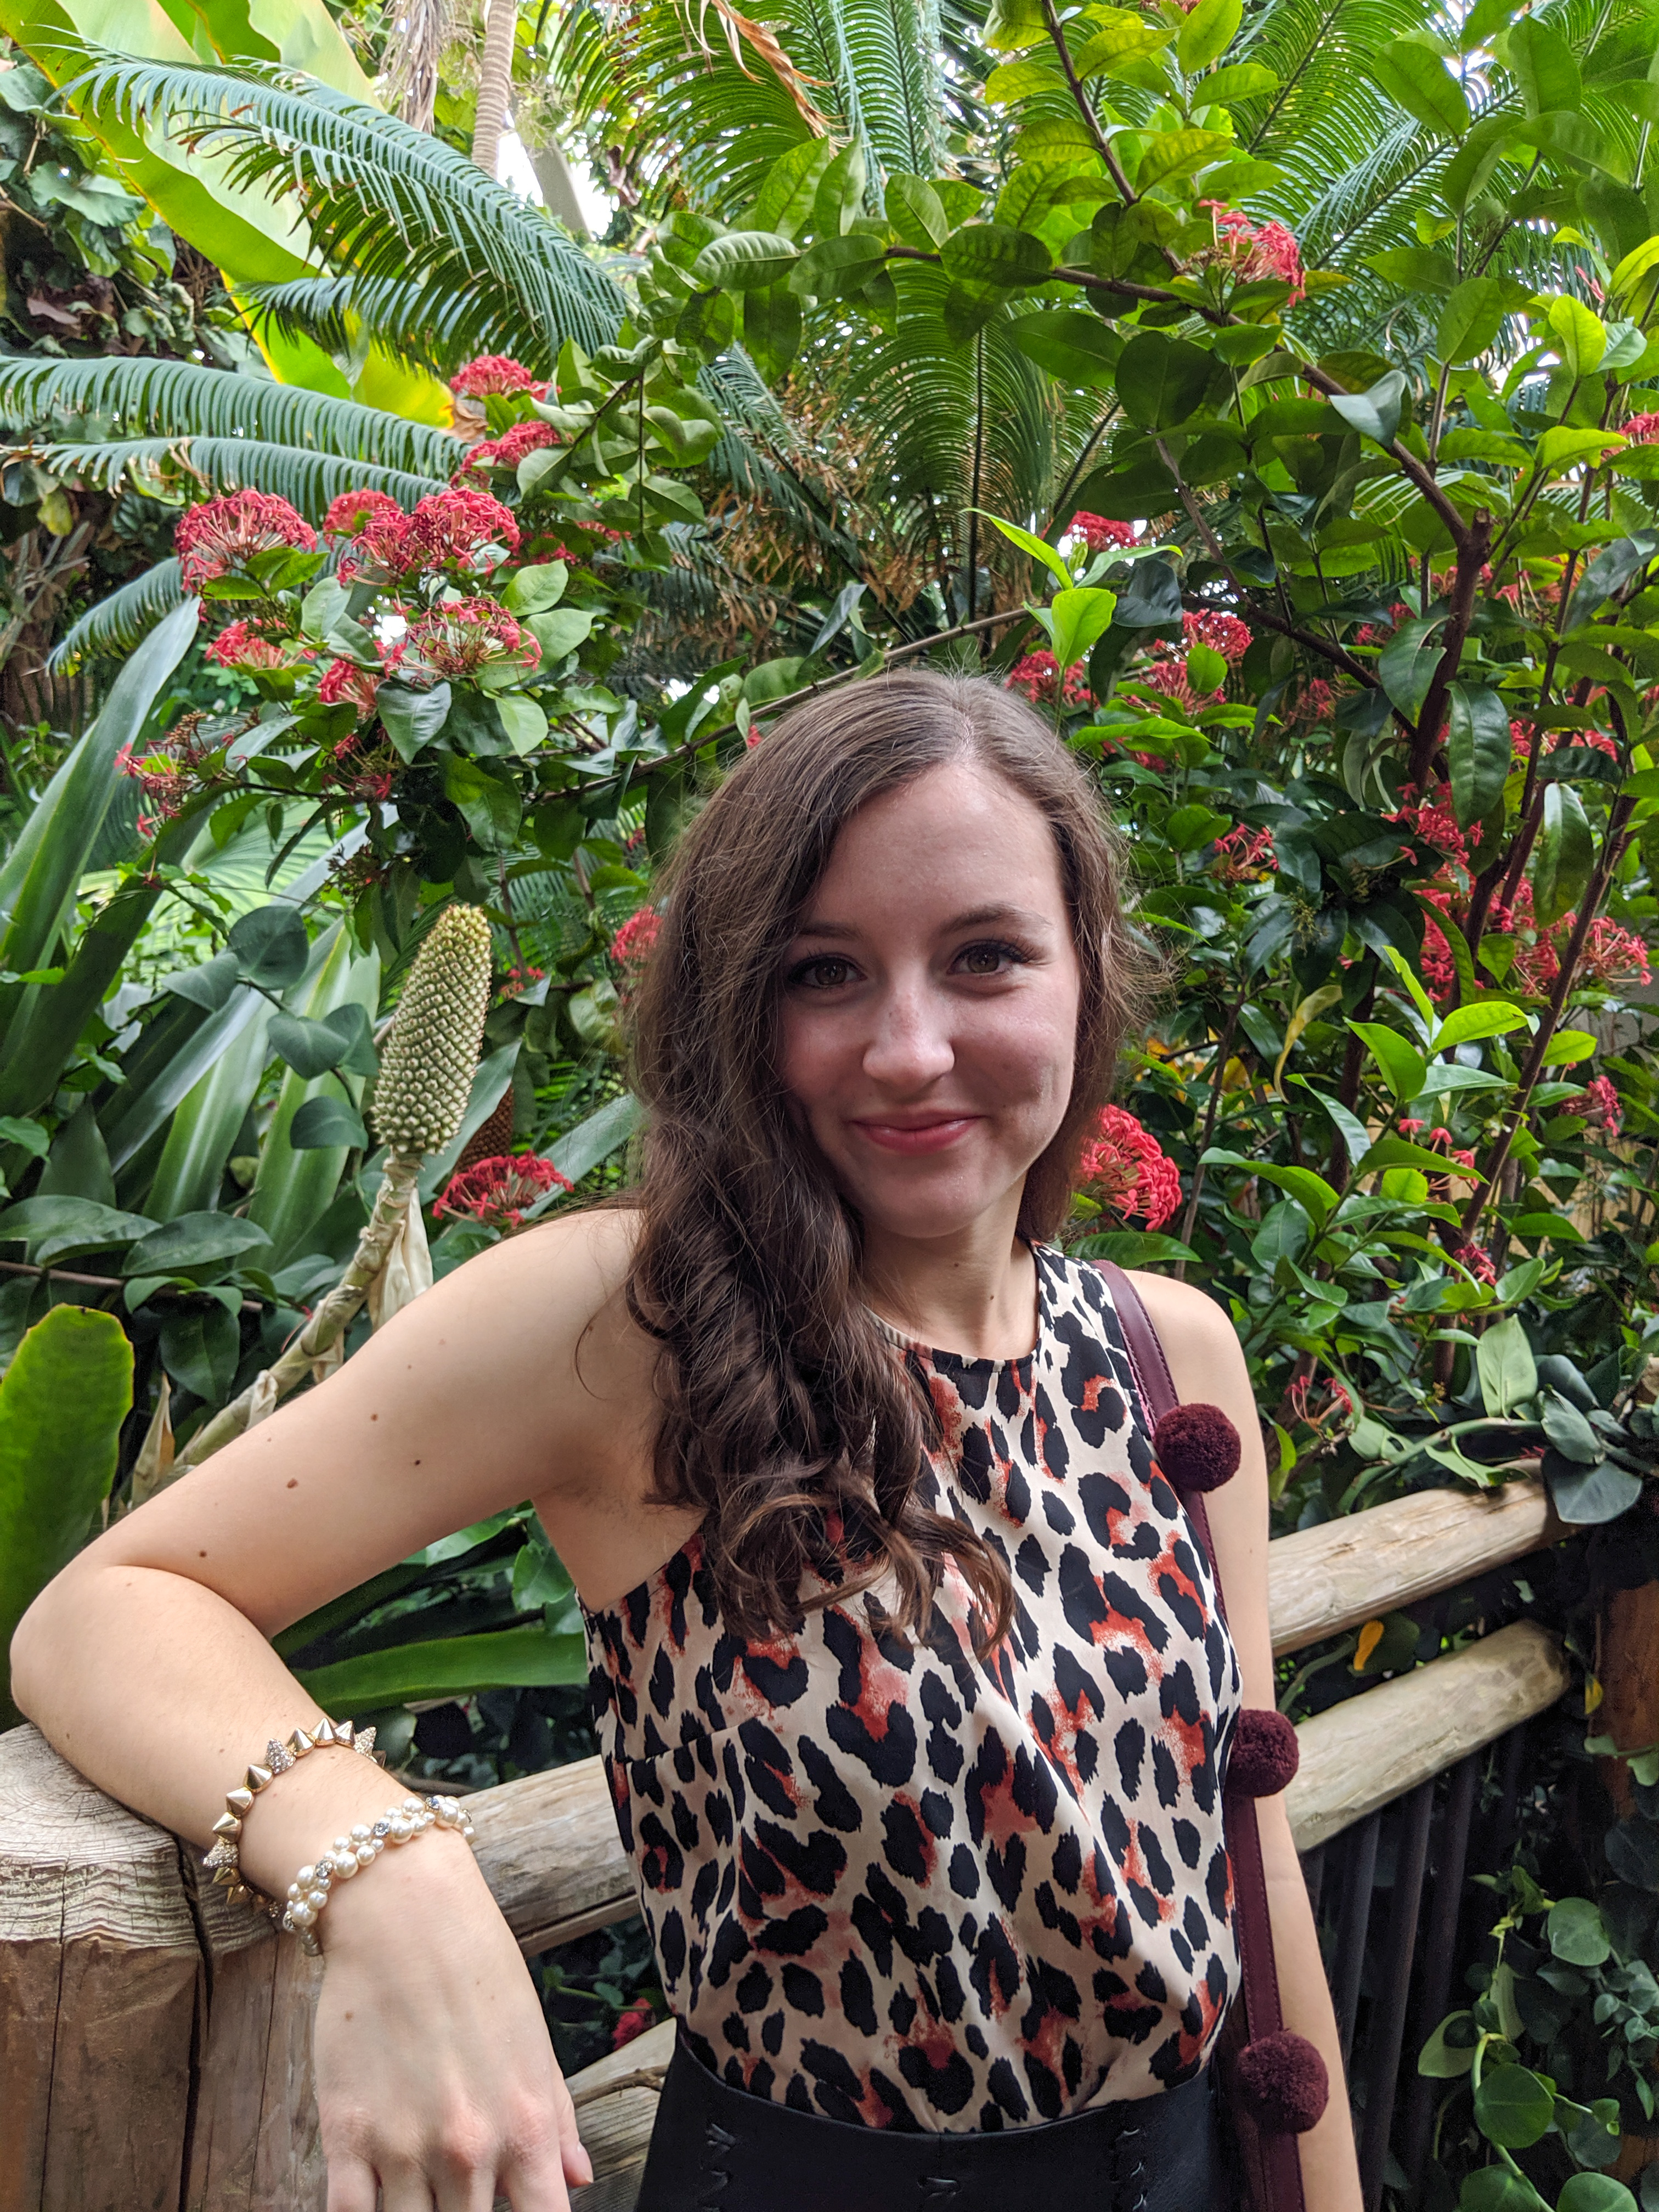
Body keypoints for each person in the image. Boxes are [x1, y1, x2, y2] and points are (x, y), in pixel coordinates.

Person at [12, 672, 1360, 2212]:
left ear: (1087, 970)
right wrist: (383, 1862)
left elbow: (1251, 1860)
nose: (909, 1048)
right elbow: (104, 1610)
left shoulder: (1168, 1354)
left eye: (986, 956)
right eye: (824, 972)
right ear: (738, 1004)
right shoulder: (638, 1322)